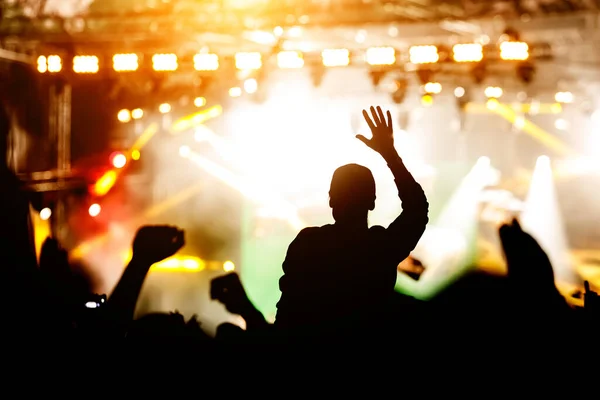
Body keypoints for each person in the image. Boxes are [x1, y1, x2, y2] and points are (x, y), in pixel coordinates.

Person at [274, 106, 429, 335]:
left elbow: (288, 311)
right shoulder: (380, 247)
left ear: (331, 200)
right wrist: (390, 155)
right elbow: (417, 209)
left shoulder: (308, 244)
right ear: (372, 201)